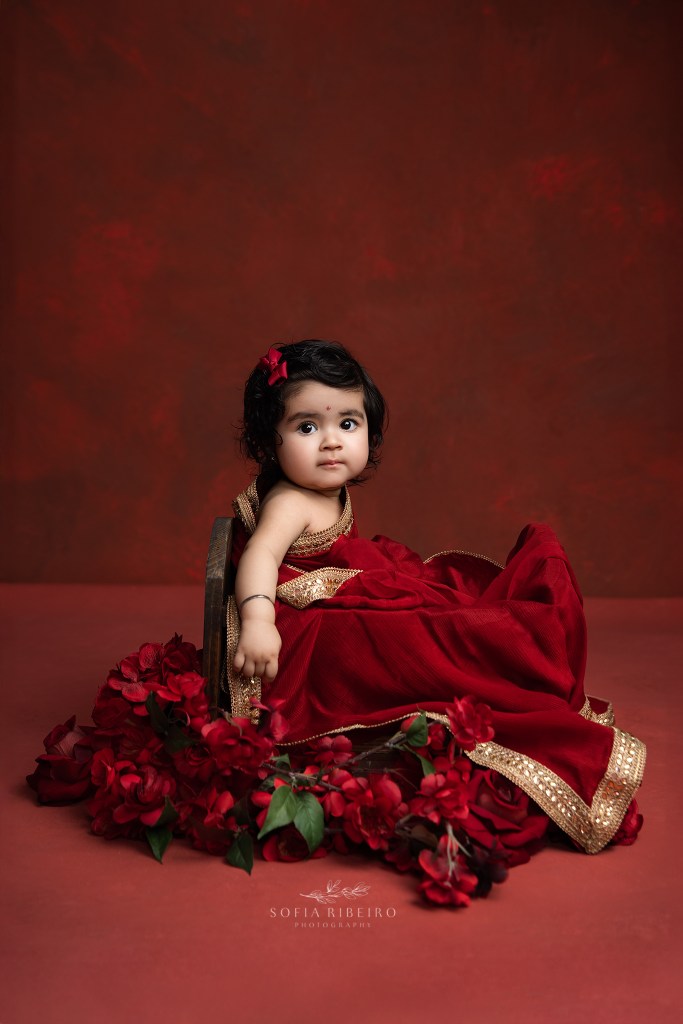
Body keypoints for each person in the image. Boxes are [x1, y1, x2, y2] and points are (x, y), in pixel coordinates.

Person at [226, 339, 645, 854]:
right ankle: (491, 673)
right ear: (271, 441)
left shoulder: (321, 487)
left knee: (449, 601)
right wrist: (258, 621)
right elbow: (261, 557)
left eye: (348, 424)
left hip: (346, 587)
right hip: (307, 629)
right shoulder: (289, 500)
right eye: (307, 426)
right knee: (420, 641)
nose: (330, 442)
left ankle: (504, 662)